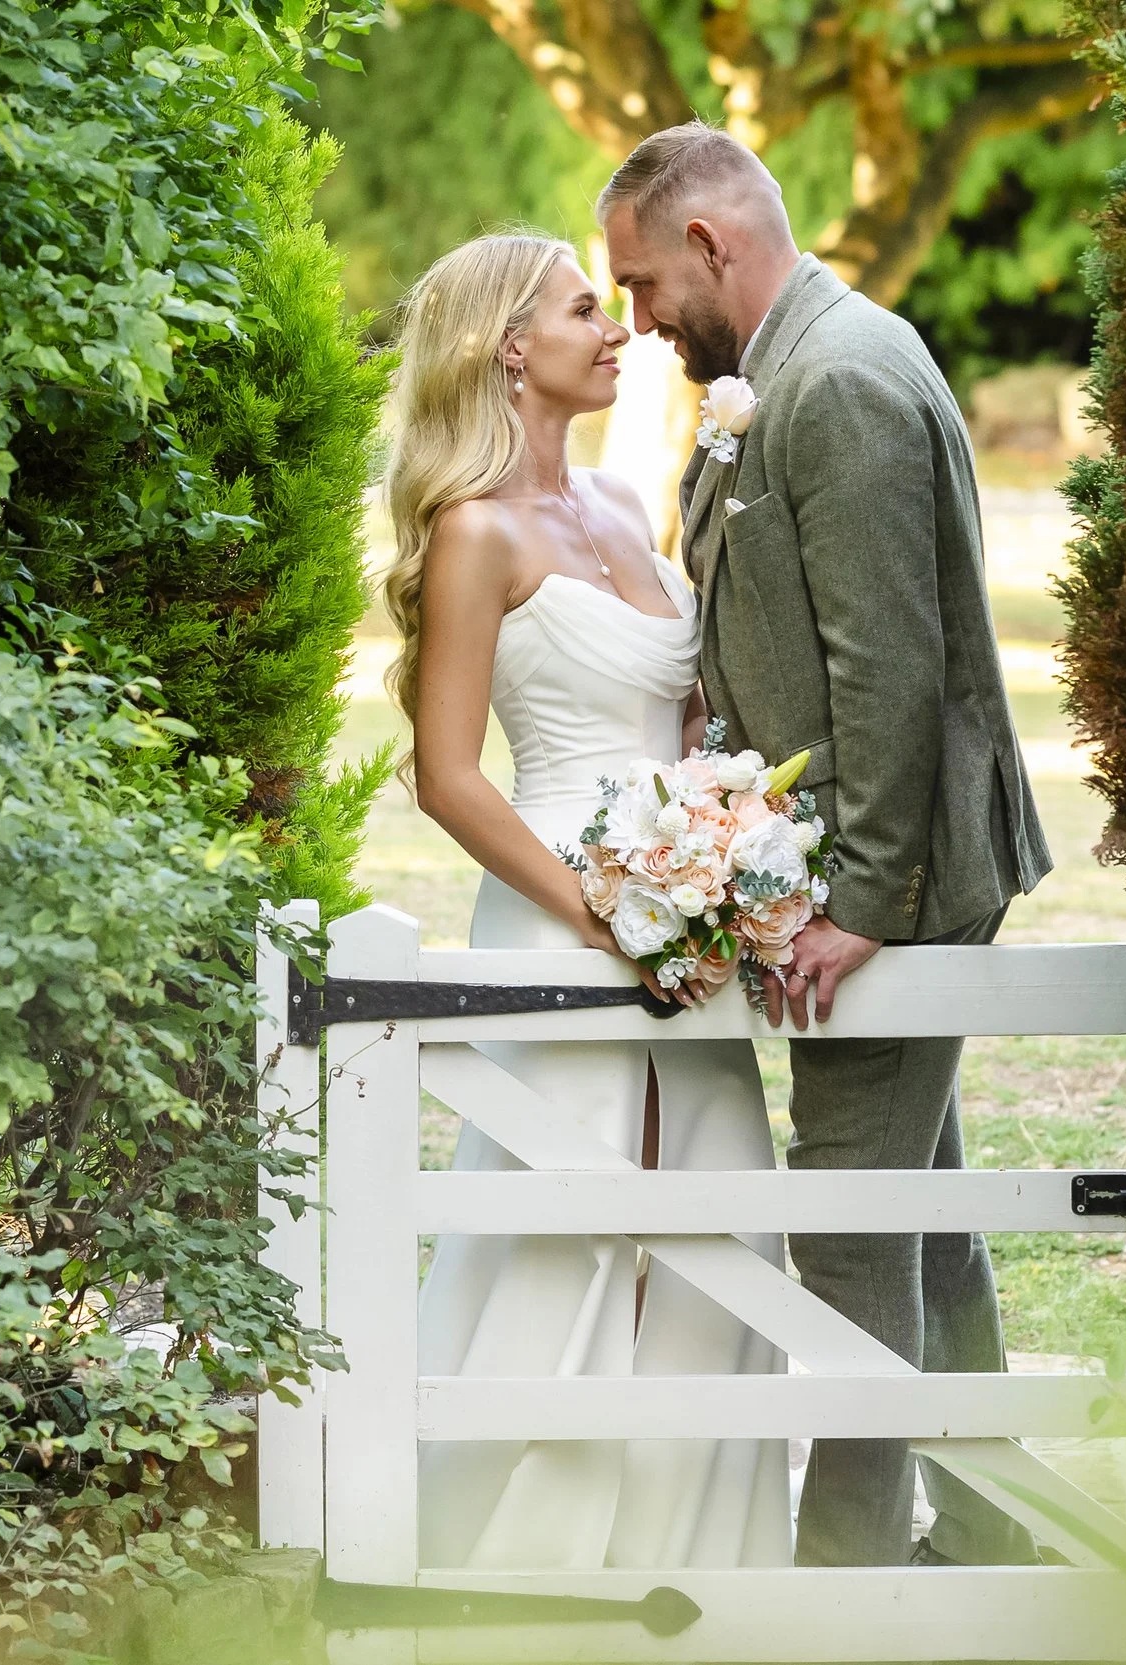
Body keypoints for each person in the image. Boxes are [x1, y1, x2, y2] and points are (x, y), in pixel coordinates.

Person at [599, 124, 1052, 1568]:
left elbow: (890, 671)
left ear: (711, 246)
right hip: (867, 867)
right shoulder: (782, 372)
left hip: (895, 884)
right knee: (920, 1219)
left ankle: (843, 1577)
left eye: (643, 283)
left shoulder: (841, 380)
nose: (637, 318)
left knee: (852, 1226)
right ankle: (991, 1537)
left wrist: (861, 896)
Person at [383, 233, 793, 1569]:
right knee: (556, 1235)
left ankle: (689, 1569)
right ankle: (492, 1570)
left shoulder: (626, 508)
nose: (615, 327)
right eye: (581, 310)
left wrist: (726, 838)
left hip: (685, 911)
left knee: (722, 1215)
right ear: (511, 347)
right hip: (568, 906)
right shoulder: (474, 532)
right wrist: (600, 909)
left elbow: (682, 712)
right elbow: (446, 777)